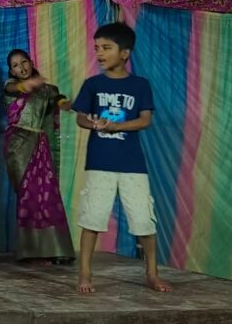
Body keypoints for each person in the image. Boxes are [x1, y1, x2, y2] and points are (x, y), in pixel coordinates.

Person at [69, 22, 171, 294]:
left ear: (124, 53)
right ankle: (85, 273)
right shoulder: (93, 84)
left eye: (106, 48)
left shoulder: (140, 85)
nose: (100, 53)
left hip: (132, 164)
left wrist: (116, 126)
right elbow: (80, 117)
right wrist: (93, 123)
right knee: (92, 218)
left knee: (143, 220)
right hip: (99, 162)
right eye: (97, 48)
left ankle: (151, 273)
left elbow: (145, 120)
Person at [3, 49, 75, 263]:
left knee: (47, 195)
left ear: (31, 62)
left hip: (41, 147)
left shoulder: (48, 90)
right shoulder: (10, 87)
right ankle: (29, 251)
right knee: (28, 196)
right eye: (15, 65)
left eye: (24, 62)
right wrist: (28, 85)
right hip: (18, 147)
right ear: (12, 71)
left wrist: (65, 104)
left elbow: (58, 100)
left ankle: (58, 250)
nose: (21, 67)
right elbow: (15, 88)